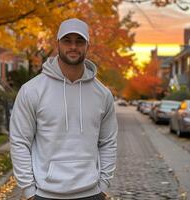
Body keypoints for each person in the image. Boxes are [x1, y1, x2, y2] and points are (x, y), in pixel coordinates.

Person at [9, 18, 118, 200]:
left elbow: (108, 142)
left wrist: (104, 186)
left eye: (79, 41)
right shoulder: (32, 90)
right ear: (57, 44)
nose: (73, 46)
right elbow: (19, 141)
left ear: (87, 46)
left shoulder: (103, 94)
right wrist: (29, 191)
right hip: (45, 194)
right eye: (67, 40)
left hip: (91, 193)